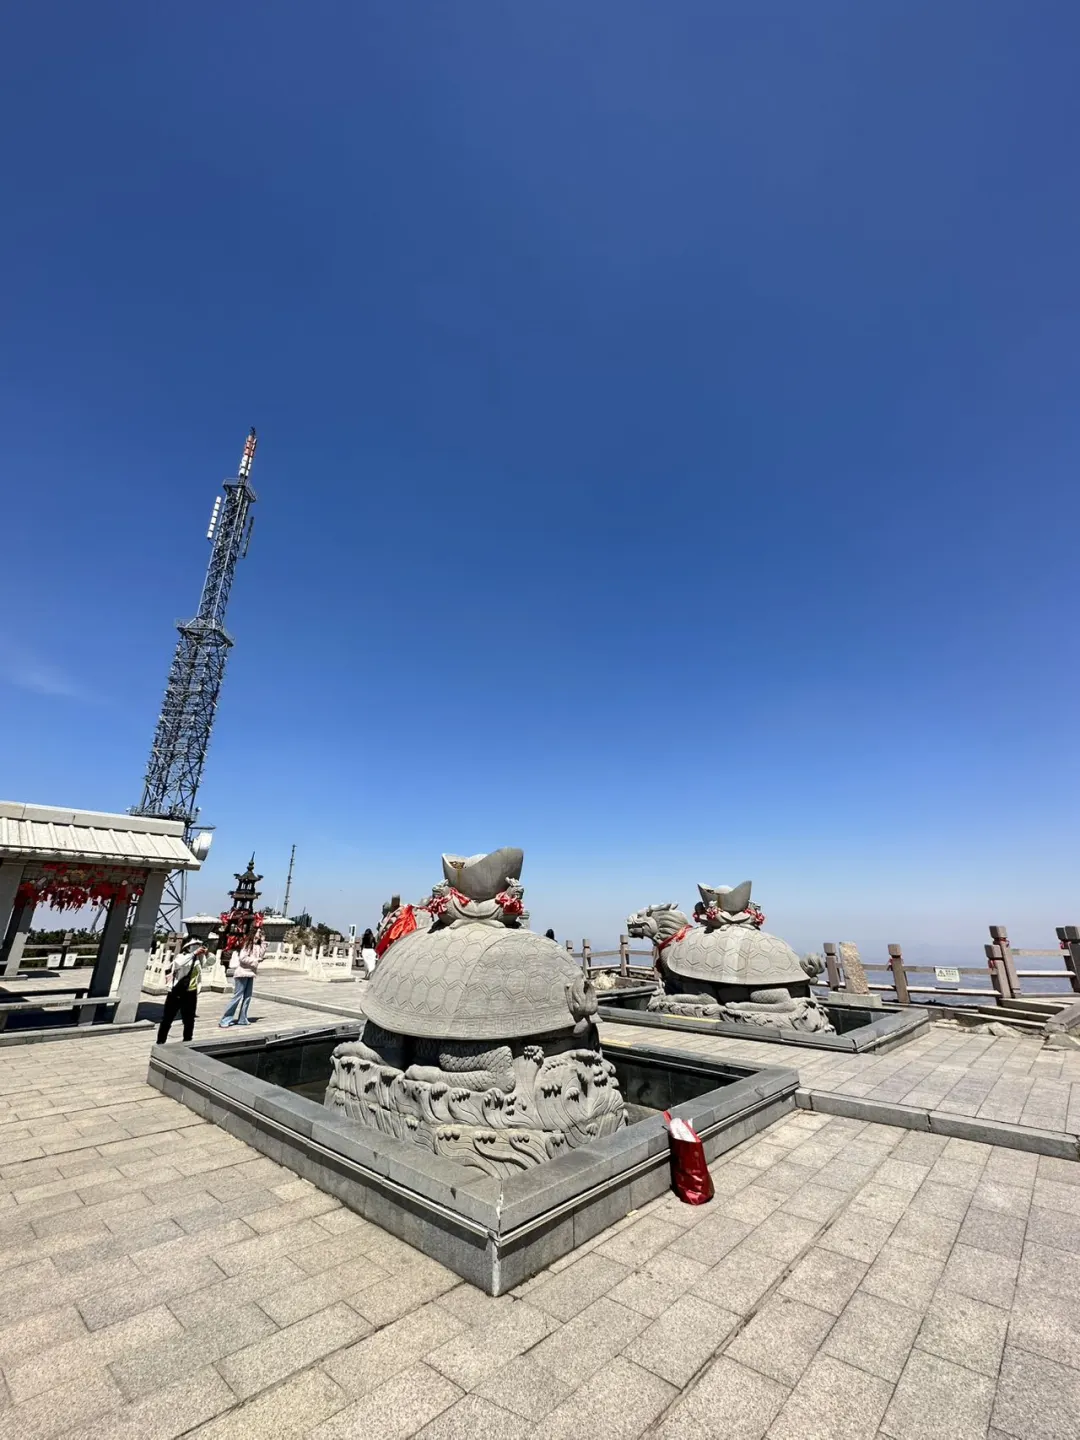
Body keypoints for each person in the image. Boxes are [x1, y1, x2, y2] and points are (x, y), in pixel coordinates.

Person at [157, 940, 205, 1044]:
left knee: (189, 1019)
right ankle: (160, 1041)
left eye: (198, 945)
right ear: (187, 947)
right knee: (168, 1018)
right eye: (194, 945)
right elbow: (179, 964)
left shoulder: (198, 959)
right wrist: (193, 954)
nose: (197, 947)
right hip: (177, 991)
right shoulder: (181, 957)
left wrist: (206, 953)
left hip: (191, 992)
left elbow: (210, 962)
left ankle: (187, 1040)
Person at [219, 928, 264, 1028]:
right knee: (237, 996)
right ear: (254, 933)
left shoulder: (257, 945)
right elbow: (242, 958)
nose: (260, 934)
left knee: (247, 997)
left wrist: (263, 943)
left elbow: (261, 954)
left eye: (261, 932)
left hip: (250, 973)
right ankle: (225, 1019)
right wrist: (254, 961)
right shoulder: (247, 945)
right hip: (242, 973)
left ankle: (243, 1018)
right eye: (259, 932)